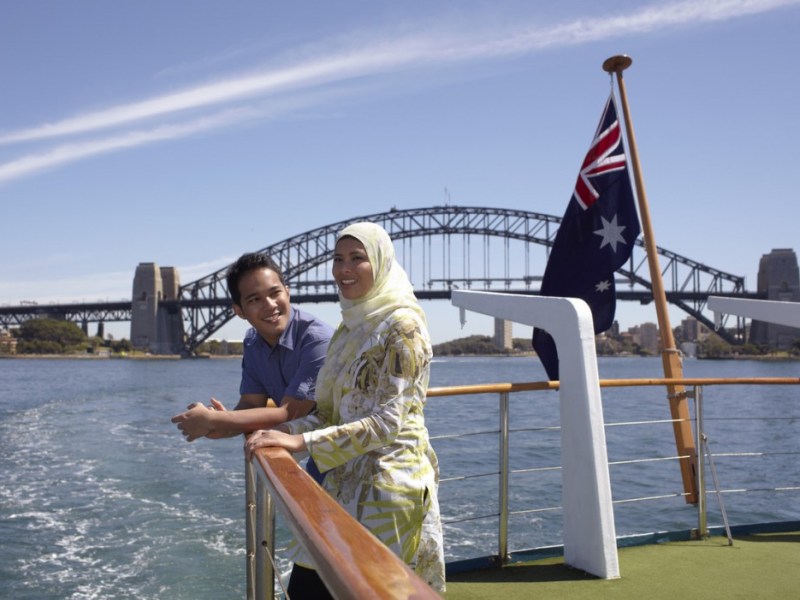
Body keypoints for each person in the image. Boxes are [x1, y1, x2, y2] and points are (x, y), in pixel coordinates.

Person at [245, 222, 446, 596]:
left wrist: (302, 440)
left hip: (388, 490)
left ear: (382, 263)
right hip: (341, 483)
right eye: (338, 259)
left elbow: (387, 422)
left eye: (358, 258)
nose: (343, 269)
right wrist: (284, 434)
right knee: (311, 587)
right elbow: (331, 410)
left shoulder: (403, 327)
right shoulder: (351, 326)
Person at [171, 252, 333, 481]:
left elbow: (292, 412)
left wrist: (215, 420)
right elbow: (251, 402)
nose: (269, 305)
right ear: (239, 311)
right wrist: (215, 426)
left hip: (357, 457)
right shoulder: (253, 342)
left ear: (287, 291)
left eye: (275, 292)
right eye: (254, 299)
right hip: (318, 454)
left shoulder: (318, 340)